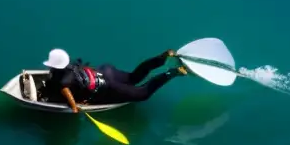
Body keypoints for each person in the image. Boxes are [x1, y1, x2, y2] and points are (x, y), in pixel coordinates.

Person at [40, 48, 189, 112]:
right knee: (133, 77)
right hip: (104, 70)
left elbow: (65, 90)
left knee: (143, 93)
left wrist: (74, 108)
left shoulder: (62, 82)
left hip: (108, 87)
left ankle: (173, 72)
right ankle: (162, 57)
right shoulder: (69, 63)